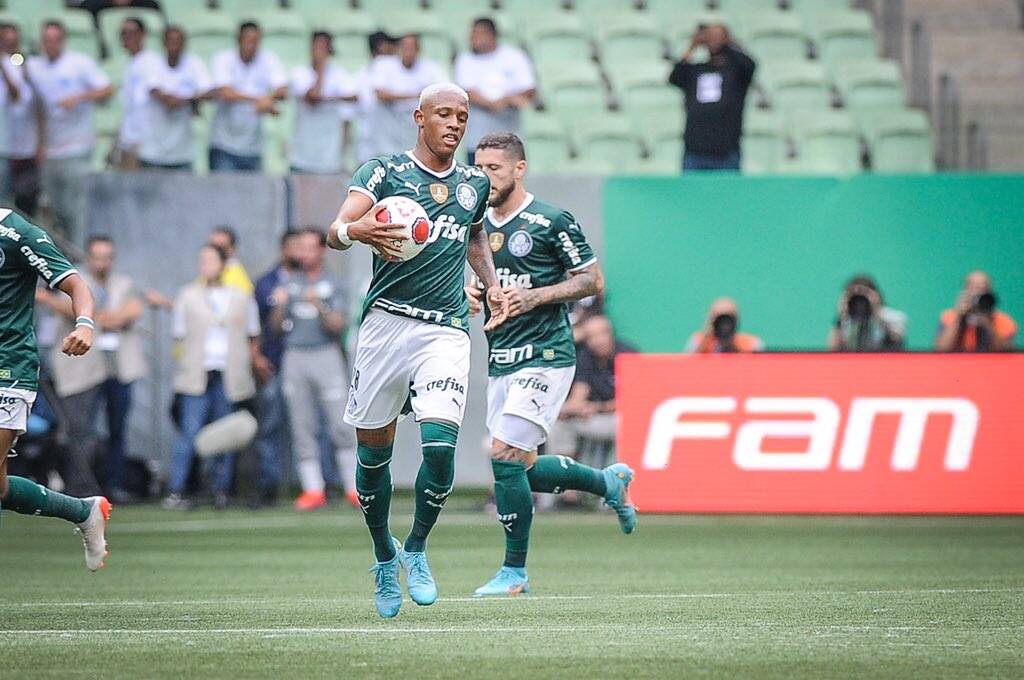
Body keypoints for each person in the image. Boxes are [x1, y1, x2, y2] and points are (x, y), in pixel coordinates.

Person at [326, 82, 509, 618]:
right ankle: (384, 552)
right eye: (444, 115)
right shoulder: (382, 173)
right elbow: (337, 229)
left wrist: (490, 282)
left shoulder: (474, 183)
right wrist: (355, 229)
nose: (454, 124)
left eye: (463, 117)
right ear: (419, 118)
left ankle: (418, 548)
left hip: (446, 331)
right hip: (385, 328)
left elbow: (475, 237)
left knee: (440, 447)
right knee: (373, 454)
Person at [465, 133, 636, 598]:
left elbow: (591, 280)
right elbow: (484, 279)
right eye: (478, 168)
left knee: (502, 454)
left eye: (494, 169)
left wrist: (534, 296)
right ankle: (607, 483)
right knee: (519, 464)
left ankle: (514, 572)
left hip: (547, 354)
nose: (485, 177)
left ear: (519, 169)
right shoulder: (473, 223)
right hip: (501, 357)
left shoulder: (550, 219)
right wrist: (476, 293)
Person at [0, 206, 111, 571]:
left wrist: (84, 325)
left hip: (8, 369)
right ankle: (83, 511)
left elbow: (77, 285)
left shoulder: (19, 234)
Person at [38, 235, 147, 504]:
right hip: (85, 366)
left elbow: (135, 307)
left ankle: (114, 484)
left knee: (117, 429)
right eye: (98, 256)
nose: (103, 263)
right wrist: (99, 317)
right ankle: (79, 486)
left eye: (108, 257)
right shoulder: (74, 279)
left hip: (119, 366)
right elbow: (63, 303)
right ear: (88, 257)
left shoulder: (123, 283)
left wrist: (108, 317)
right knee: (79, 429)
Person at [165, 244, 260, 510]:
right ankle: (178, 488)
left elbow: (252, 334)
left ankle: (222, 489)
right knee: (190, 432)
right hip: (197, 373)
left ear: (223, 263)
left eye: (210, 260)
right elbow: (179, 335)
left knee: (226, 433)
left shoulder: (241, 297)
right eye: (202, 260)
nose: (205, 265)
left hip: (229, 374)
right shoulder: (188, 295)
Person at [270, 228, 357, 511]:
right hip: (295, 355)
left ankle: (354, 488)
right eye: (300, 247)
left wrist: (317, 304)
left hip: (326, 355)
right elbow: (274, 329)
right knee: (301, 424)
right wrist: (280, 306)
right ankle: (312, 489)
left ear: (322, 250)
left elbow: (338, 326)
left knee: (340, 424)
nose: (304, 253)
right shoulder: (288, 282)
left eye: (310, 247)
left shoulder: (334, 283)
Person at [28, 21, 114, 243]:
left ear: (63, 41)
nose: (51, 45)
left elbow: (107, 89)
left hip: (77, 146)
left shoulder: (79, 63)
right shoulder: (36, 67)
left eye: (55, 40)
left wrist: (79, 97)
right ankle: (63, 250)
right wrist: (40, 144)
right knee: (55, 207)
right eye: (46, 40)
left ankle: (78, 255)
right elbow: (38, 108)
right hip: (51, 149)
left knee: (75, 205)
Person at [252, 229, 299, 507]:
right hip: (275, 361)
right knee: (269, 424)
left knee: (314, 426)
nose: (300, 253)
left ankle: (323, 484)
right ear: (283, 249)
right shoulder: (267, 283)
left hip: (307, 357)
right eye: (294, 246)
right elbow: (256, 323)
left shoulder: (312, 280)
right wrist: (256, 354)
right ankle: (268, 484)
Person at [668, 22, 755, 172]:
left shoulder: (735, 74)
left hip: (726, 152)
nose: (713, 40)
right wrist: (693, 46)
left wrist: (726, 44)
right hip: (695, 151)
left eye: (718, 36)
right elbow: (675, 76)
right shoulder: (696, 71)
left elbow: (750, 65)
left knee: (727, 193)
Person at [547, 315, 635, 460]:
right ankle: (563, 475)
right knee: (560, 424)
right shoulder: (586, 357)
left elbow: (633, 401)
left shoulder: (627, 354)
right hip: (594, 417)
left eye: (603, 333)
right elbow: (579, 393)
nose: (599, 340)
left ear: (611, 333)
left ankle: (618, 477)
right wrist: (571, 409)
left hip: (622, 418)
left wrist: (598, 407)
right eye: (592, 336)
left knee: (625, 426)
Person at [209, 21, 287, 173]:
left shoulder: (269, 59)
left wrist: (268, 100)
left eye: (255, 41)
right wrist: (260, 100)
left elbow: (283, 90)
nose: (252, 45)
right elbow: (226, 93)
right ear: (238, 40)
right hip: (224, 145)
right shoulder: (223, 59)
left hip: (253, 148)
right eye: (248, 40)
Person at [455, 18, 536, 164]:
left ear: (491, 34)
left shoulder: (514, 56)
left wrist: (509, 99)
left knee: (510, 182)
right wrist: (494, 104)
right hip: (478, 139)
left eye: (477, 34)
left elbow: (528, 88)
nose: (472, 38)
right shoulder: (465, 60)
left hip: (510, 136)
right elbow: (466, 91)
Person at [139, 25, 211, 171]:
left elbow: (210, 91)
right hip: (153, 150)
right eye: (171, 41)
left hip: (183, 151)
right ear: (163, 43)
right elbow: (156, 91)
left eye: (178, 41)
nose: (175, 45)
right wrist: (189, 100)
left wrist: (187, 99)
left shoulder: (194, 64)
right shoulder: (152, 64)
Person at [369, 34, 447, 158]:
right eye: (405, 48)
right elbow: (380, 94)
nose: (408, 52)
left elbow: (444, 93)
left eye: (412, 48)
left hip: (416, 132)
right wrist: (416, 95)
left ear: (418, 50)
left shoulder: (431, 68)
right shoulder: (383, 64)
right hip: (389, 134)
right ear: (398, 49)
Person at [289, 32, 357, 175]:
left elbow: (353, 98)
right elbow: (313, 97)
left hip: (330, 159)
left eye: (323, 48)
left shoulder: (341, 75)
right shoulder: (299, 74)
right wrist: (321, 69)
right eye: (317, 47)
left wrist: (327, 99)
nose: (319, 52)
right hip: (302, 157)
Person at [0, 22, 41, 215]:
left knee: (22, 200)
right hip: (4, 145)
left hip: (20, 145)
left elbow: (23, 98)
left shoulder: (23, 64)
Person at [114, 17, 161, 169]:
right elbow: (128, 108)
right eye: (123, 33)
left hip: (143, 142)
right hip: (128, 141)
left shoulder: (151, 62)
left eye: (131, 33)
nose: (127, 38)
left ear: (143, 35)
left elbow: (146, 104)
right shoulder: (129, 64)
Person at [935, 271, 1016, 352]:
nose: (977, 293)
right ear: (964, 291)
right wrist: (959, 318)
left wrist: (988, 323)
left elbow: (1005, 353)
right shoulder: (948, 317)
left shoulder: (1003, 321)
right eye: (973, 288)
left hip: (989, 364)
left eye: (983, 288)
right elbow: (941, 350)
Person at [827, 276, 906, 352]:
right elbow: (832, 349)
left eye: (865, 293)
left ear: (877, 295)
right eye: (854, 295)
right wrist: (840, 316)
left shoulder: (893, 317)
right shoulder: (845, 320)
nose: (859, 300)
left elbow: (897, 341)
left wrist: (875, 310)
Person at [353, 31, 396, 163]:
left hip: (394, 145)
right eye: (384, 54)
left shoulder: (398, 79)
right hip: (367, 145)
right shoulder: (359, 77)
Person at [685, 297, 764, 353]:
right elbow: (688, 366)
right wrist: (705, 340)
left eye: (728, 320)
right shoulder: (698, 341)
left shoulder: (751, 344)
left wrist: (734, 347)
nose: (724, 326)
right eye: (720, 319)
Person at [208, 226, 253, 294]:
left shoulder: (239, 282)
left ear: (233, 250)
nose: (214, 251)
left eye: (220, 247)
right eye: (212, 246)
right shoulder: (207, 272)